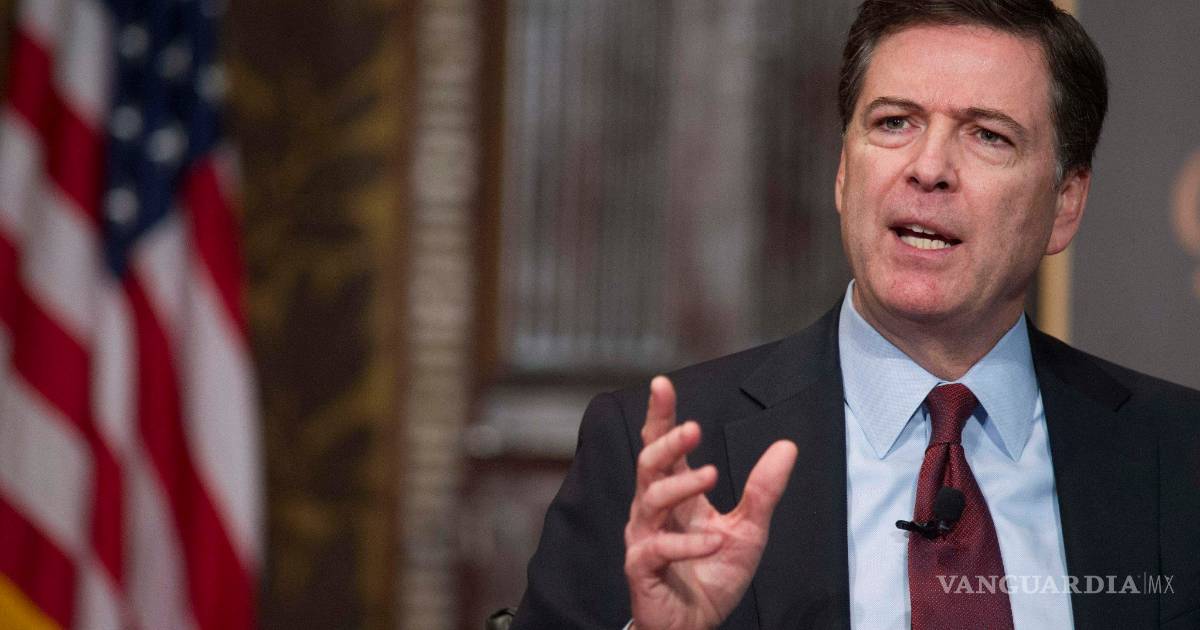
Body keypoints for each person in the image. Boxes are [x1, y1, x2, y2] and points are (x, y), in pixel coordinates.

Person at [510, 1, 1200, 628]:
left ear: (1066, 203)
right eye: (894, 123)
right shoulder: (659, 456)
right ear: (844, 170)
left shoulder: (1181, 455)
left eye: (988, 135)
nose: (928, 167)